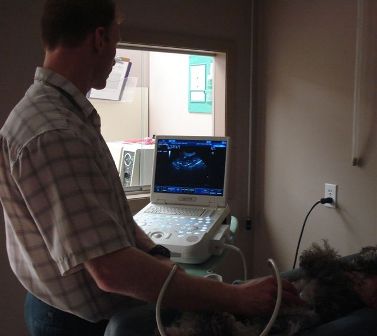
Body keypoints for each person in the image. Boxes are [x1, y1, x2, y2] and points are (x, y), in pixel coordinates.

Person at [0, 1, 302, 335]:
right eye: (115, 43)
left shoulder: (55, 116)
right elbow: (112, 270)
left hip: (55, 304)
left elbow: (115, 225)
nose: (114, 57)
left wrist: (158, 257)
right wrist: (234, 297)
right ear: (99, 39)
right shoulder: (56, 134)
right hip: (77, 323)